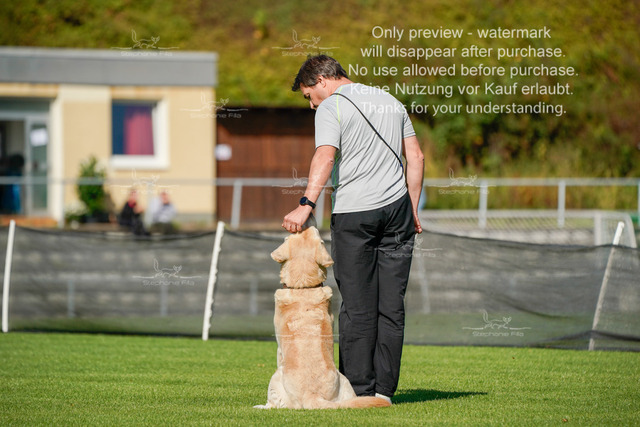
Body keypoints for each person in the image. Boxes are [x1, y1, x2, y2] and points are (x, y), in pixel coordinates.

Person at [282, 55, 425, 404]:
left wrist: (306, 204)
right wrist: (412, 209)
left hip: (355, 213)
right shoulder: (390, 100)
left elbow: (325, 157)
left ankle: (359, 391)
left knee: (358, 306)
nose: (311, 104)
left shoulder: (331, 106)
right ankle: (384, 392)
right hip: (398, 213)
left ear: (321, 81)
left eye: (308, 96)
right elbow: (416, 157)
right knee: (391, 305)